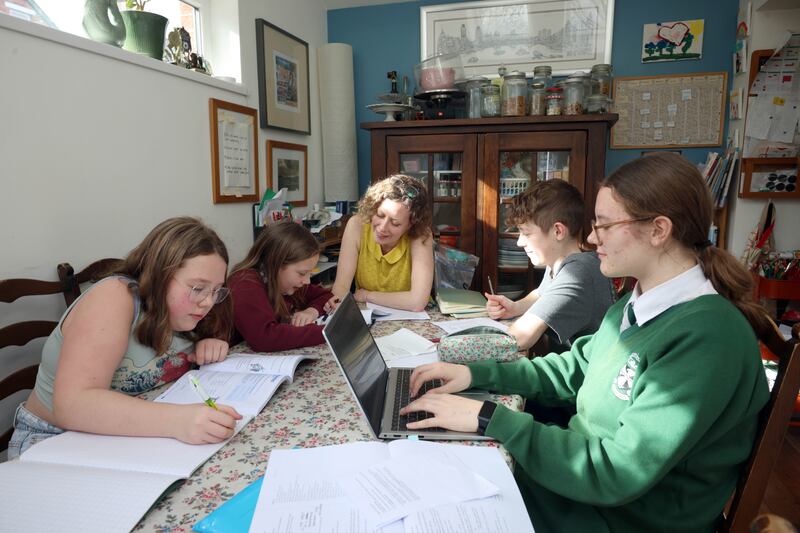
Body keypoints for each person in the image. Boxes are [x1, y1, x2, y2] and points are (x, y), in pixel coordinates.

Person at [400, 153, 770, 533]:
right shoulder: (637, 301)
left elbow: (617, 470)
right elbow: (574, 369)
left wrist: (488, 418)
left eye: (606, 225)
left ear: (659, 230)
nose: (592, 237)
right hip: (581, 490)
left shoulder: (708, 339)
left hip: (622, 517)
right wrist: (473, 373)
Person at [9, 217, 242, 459]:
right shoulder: (114, 297)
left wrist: (206, 342)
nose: (208, 302)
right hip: (53, 437)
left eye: (216, 291)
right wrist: (178, 420)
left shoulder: (187, 311)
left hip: (124, 435)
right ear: (159, 275)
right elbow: (73, 405)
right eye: (197, 288)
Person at [486, 179, 614, 352]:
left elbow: (520, 338)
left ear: (558, 231)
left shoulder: (578, 272)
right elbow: (541, 294)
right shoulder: (560, 262)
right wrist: (514, 307)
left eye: (526, 233)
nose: (519, 242)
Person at [326, 174, 434, 312]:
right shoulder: (357, 225)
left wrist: (367, 295)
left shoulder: (421, 235)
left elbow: (417, 302)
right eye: (380, 215)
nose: (382, 228)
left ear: (411, 225)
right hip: (366, 315)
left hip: (409, 315)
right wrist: (337, 302)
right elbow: (340, 287)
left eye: (395, 223)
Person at [228, 220, 332, 352]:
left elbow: (325, 295)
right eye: (302, 273)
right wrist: (328, 332)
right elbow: (265, 337)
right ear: (276, 263)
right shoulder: (244, 284)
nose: (307, 281)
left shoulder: (286, 283)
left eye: (309, 274)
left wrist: (311, 311)